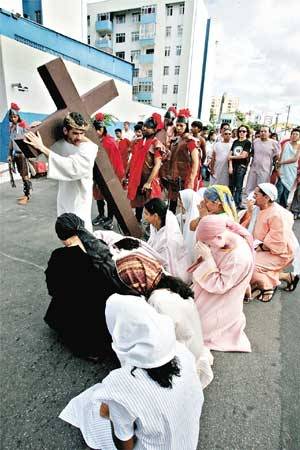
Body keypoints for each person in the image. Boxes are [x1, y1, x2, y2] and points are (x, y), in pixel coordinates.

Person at [59, 293, 204, 450]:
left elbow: (124, 443)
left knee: (94, 408)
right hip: (187, 441)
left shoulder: (119, 383)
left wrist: (111, 411)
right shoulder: (182, 352)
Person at [115, 253, 213, 388]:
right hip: (195, 346)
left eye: (128, 284)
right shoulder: (168, 284)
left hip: (186, 356)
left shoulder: (157, 301)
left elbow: (160, 343)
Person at [44, 213, 135, 358]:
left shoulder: (58, 257)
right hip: (104, 312)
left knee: (64, 302)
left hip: (80, 315)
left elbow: (52, 289)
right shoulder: (97, 246)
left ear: (60, 236)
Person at [24, 112, 98, 232]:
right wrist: (38, 129)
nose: (79, 137)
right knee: (65, 229)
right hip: (64, 195)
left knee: (82, 231)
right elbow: (40, 156)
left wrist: (42, 147)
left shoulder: (89, 148)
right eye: (75, 133)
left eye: (82, 133)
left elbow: (73, 167)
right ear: (65, 131)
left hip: (80, 197)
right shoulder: (59, 144)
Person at [191, 215, 254, 352]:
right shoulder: (222, 236)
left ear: (217, 237)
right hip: (209, 287)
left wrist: (207, 258)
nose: (207, 247)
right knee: (187, 315)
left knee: (196, 327)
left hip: (223, 296)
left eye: (207, 243)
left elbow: (221, 285)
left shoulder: (239, 257)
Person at [250, 183, 295, 302]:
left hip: (279, 253)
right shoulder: (258, 208)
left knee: (249, 265)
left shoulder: (276, 214)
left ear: (267, 198)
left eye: (256, 194)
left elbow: (278, 243)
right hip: (262, 248)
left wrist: (258, 248)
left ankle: (267, 287)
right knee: (242, 259)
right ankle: (287, 277)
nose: (252, 196)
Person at [127, 116, 166, 222]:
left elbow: (157, 165)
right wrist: (126, 174)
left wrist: (148, 182)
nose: (144, 128)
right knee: (138, 203)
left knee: (152, 207)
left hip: (150, 181)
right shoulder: (138, 142)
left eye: (148, 127)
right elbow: (132, 159)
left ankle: (152, 228)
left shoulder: (156, 143)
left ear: (154, 130)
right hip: (137, 178)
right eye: (144, 126)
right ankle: (137, 221)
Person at [144, 198, 190, 283]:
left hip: (172, 274)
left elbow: (167, 265)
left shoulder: (168, 240)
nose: (144, 217)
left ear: (155, 216)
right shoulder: (154, 226)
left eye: (146, 214)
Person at [92, 114, 125, 229]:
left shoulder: (110, 142)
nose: (95, 133)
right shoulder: (95, 141)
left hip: (109, 175)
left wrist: (115, 178)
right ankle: (101, 215)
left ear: (101, 129)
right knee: (98, 196)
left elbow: (116, 162)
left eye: (96, 130)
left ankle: (110, 218)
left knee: (110, 198)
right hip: (97, 174)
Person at [168, 109, 199, 213]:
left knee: (185, 205)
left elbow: (196, 161)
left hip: (185, 176)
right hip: (174, 176)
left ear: (186, 126)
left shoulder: (189, 140)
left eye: (181, 125)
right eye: (177, 125)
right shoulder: (176, 139)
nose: (179, 127)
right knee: (172, 203)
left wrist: (191, 178)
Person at [7, 103, 32, 205]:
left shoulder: (22, 126)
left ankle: (27, 196)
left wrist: (31, 126)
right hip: (16, 154)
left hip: (22, 154)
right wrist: (9, 154)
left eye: (15, 116)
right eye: (12, 117)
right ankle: (25, 194)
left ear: (18, 116)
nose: (13, 118)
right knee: (22, 175)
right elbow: (11, 143)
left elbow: (29, 133)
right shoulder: (12, 128)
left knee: (25, 175)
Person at [245, 126, 280, 196]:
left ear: (269, 133)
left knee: (262, 188)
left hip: (265, 170)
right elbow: (252, 153)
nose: (263, 133)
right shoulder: (255, 141)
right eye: (261, 131)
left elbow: (277, 156)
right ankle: (249, 203)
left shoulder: (274, 143)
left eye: (265, 131)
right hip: (254, 168)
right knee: (250, 188)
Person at [276, 127, 300, 208]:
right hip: (283, 169)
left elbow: (295, 159)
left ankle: (283, 207)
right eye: (293, 134)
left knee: (286, 191)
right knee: (279, 190)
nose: (294, 136)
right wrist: (278, 168)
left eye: (296, 134)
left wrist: (282, 162)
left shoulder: (299, 146)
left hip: (291, 170)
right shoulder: (286, 144)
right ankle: (275, 206)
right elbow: (280, 157)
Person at [228, 124, 252, 208]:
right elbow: (229, 154)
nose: (241, 133)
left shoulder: (247, 143)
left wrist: (231, 157)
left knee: (238, 186)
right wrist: (230, 166)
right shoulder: (235, 141)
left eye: (244, 131)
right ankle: (230, 202)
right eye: (240, 131)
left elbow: (244, 155)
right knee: (231, 185)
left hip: (241, 166)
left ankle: (237, 202)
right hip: (233, 166)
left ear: (247, 133)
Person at [177, 189, 199, 265]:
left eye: (181, 201)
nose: (179, 204)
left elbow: (190, 245)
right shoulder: (187, 214)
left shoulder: (194, 217)